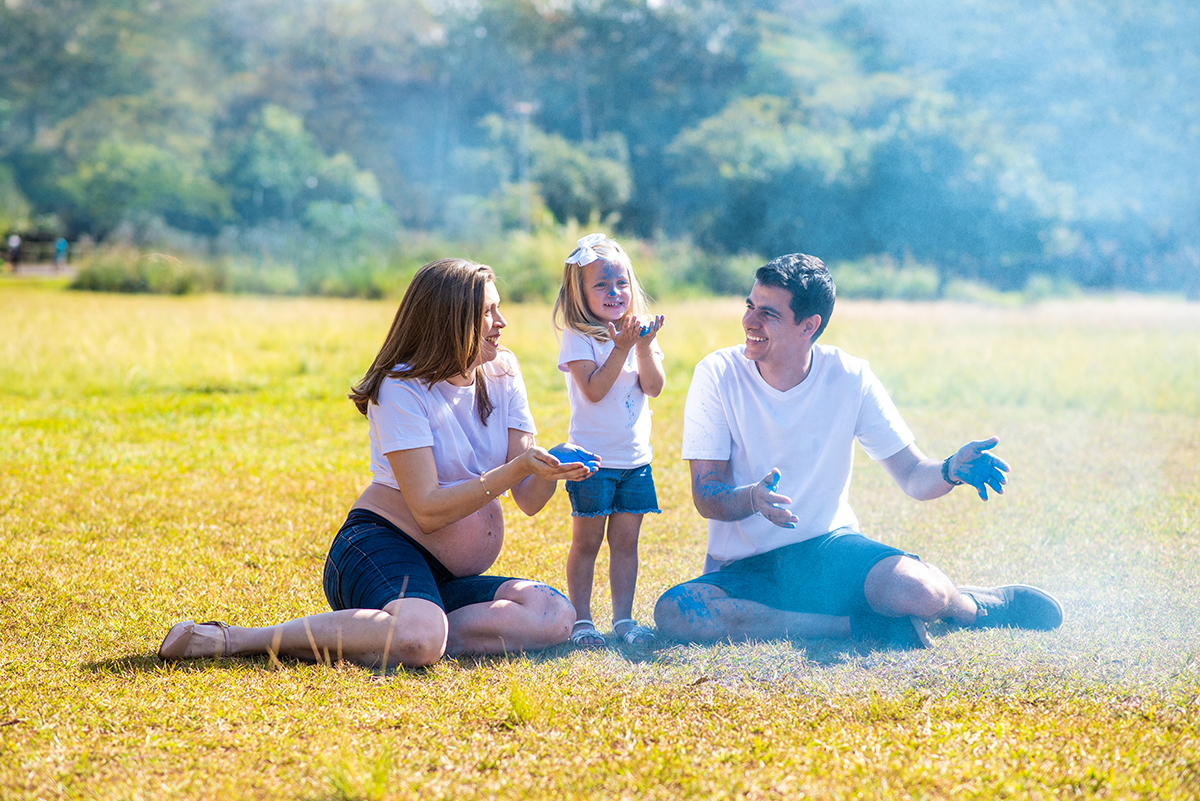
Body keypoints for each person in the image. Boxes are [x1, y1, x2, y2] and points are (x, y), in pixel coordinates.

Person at [159, 258, 593, 668]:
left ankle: (411, 632)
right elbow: (427, 509)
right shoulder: (400, 387)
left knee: (554, 613)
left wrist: (552, 469)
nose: (501, 322)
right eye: (487, 312)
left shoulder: (503, 371)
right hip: (378, 548)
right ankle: (239, 639)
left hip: (446, 578)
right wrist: (518, 468)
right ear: (450, 320)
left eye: (498, 309)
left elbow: (529, 499)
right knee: (422, 635)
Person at [653, 253, 1063, 649]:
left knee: (920, 591)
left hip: (829, 549)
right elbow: (706, 494)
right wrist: (752, 500)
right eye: (750, 306)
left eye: (768, 313)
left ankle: (972, 607)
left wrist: (950, 469)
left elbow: (912, 474)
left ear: (808, 326)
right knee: (678, 612)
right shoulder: (717, 374)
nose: (749, 321)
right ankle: (858, 626)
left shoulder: (850, 377)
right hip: (745, 567)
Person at [552, 233, 665, 648]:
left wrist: (643, 348)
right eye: (601, 285)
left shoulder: (639, 333)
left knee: (626, 544)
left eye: (621, 283)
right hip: (592, 463)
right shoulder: (579, 337)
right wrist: (621, 348)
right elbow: (595, 390)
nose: (614, 292)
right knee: (587, 543)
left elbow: (654, 387)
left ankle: (623, 619)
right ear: (580, 294)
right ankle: (582, 619)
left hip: (635, 462)